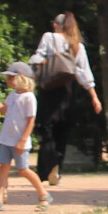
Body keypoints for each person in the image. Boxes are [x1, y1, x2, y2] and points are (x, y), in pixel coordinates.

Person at [31, 12, 101, 184]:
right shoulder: (77, 45)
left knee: (46, 130)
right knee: (62, 132)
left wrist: (31, 74)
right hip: (67, 92)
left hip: (48, 90)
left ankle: (44, 170)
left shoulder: (49, 37)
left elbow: (38, 58)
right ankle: (57, 168)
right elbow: (84, 73)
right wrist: (94, 97)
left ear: (55, 25)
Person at [0, 63, 49, 209]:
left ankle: (43, 194)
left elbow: (31, 121)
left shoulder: (29, 97)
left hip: (19, 141)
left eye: (11, 77)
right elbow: (3, 110)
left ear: (21, 78)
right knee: (3, 169)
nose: (7, 80)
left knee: (23, 170)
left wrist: (23, 140)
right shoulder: (12, 95)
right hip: (6, 139)